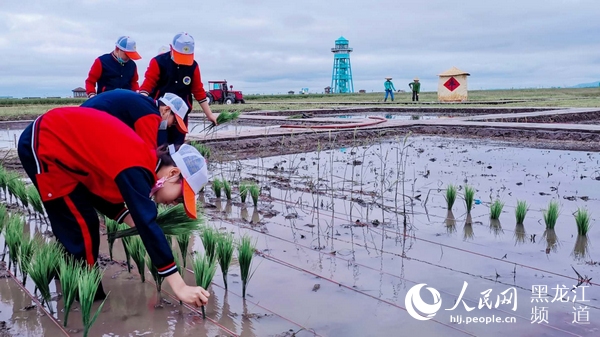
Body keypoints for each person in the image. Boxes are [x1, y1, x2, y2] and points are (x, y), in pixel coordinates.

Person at [17, 106, 210, 306]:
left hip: (58, 148)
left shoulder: (140, 164)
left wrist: (128, 217)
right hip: (44, 143)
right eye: (179, 196)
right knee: (82, 226)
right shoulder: (138, 165)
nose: (174, 203)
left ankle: (67, 280)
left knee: (78, 220)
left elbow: (97, 192)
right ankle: (87, 299)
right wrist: (180, 287)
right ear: (173, 173)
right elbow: (147, 224)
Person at [140, 32, 217, 145]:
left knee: (177, 146)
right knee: (159, 145)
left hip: (180, 115)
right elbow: (146, 87)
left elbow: (198, 91)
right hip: (160, 113)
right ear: (171, 48)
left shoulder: (193, 66)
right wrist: (139, 106)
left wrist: (209, 115)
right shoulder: (158, 62)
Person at [81, 90, 188, 151]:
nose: (170, 126)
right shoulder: (150, 115)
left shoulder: (145, 104)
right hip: (85, 124)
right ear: (166, 110)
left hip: (85, 117)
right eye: (174, 122)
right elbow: (148, 152)